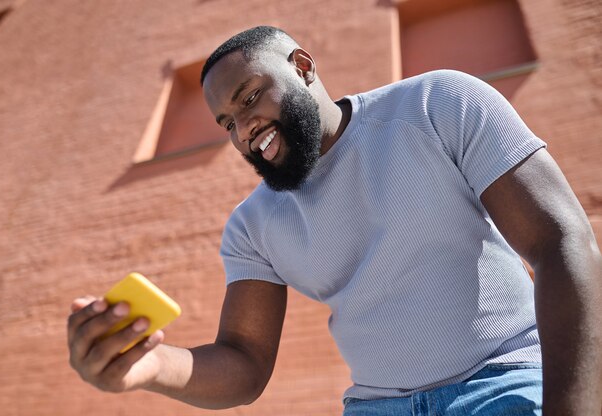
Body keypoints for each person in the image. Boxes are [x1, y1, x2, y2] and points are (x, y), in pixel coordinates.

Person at [67, 26, 602, 415]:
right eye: (227, 123)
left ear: (302, 67)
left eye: (249, 97)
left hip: (504, 382)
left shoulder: (439, 103)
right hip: (376, 408)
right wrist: (152, 367)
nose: (243, 131)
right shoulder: (252, 226)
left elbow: (561, 241)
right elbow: (245, 362)